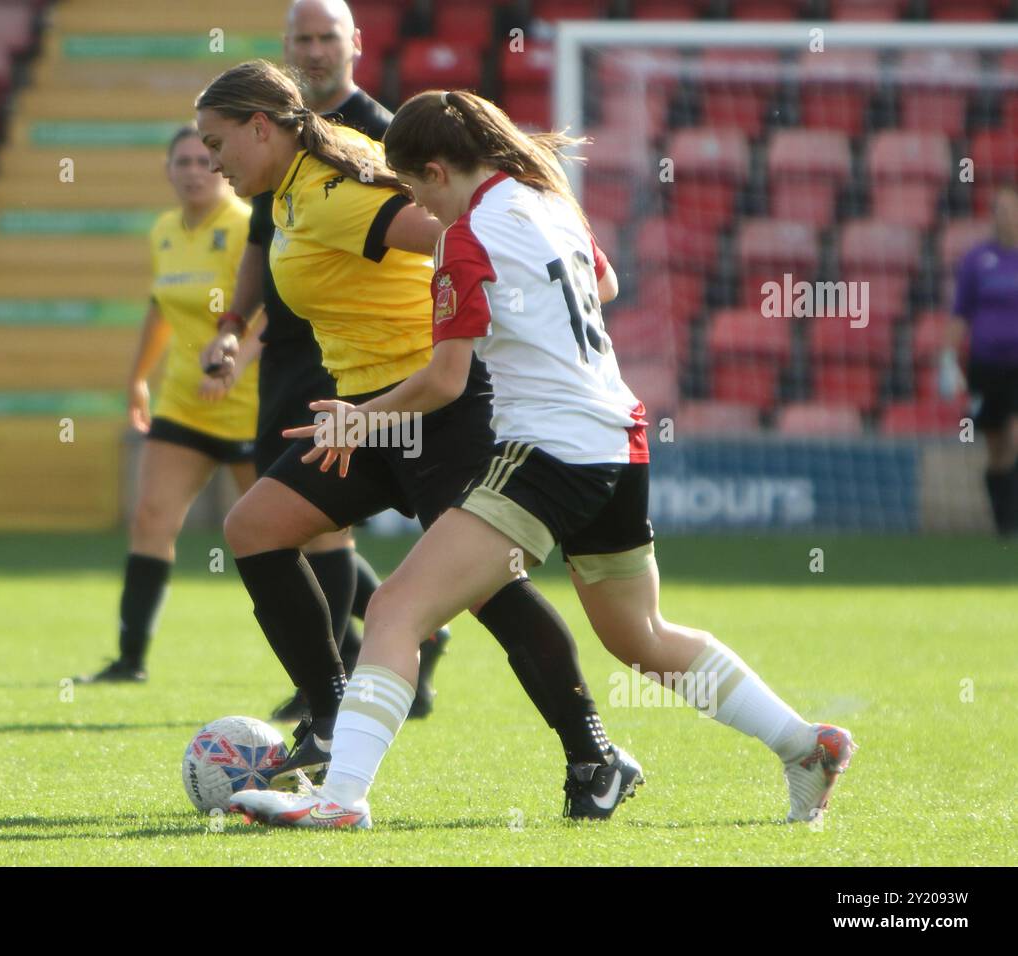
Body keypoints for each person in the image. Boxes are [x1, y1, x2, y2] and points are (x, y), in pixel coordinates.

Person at [232, 90, 855, 829]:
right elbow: (606, 283)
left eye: (418, 190)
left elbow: (444, 381)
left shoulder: (465, 239)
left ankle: (339, 799)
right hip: (618, 436)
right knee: (640, 635)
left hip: (550, 449)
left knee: (396, 607)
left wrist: (357, 421)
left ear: (435, 171)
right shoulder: (548, 199)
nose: (422, 210)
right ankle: (802, 744)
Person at [196, 61, 642, 819]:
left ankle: (594, 753)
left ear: (261, 127)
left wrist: (455, 335)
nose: (213, 160)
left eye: (217, 142)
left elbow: (452, 233)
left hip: (441, 407)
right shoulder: (294, 186)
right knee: (257, 527)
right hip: (369, 408)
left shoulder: (333, 192)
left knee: (489, 593)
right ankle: (333, 719)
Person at [202, 0, 448, 721]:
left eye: (326, 35)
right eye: (301, 39)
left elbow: (437, 232)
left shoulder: (375, 131)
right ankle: (340, 689)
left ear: (355, 43)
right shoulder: (269, 158)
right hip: (304, 350)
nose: (314, 49)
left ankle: (335, 687)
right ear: (285, 50)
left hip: (377, 365)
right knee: (287, 522)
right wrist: (233, 326)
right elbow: (259, 248)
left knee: (319, 525)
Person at [76, 126, 261, 683]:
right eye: (181, 161)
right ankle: (130, 660)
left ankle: (378, 643)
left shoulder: (249, 227)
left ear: (223, 166)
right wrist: (137, 378)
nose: (193, 171)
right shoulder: (163, 232)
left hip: (252, 405)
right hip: (184, 402)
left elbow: (277, 308)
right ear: (167, 170)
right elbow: (160, 308)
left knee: (290, 536)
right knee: (151, 519)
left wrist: (239, 363)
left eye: (205, 160)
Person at [951, 183, 1018, 536]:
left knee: (1014, 435)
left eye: (1011, 209)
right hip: (987, 366)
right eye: (1000, 209)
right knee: (998, 449)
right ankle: (1004, 523)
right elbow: (960, 313)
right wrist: (948, 361)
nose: (1005, 216)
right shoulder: (977, 260)